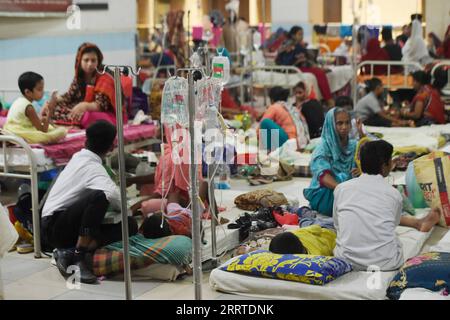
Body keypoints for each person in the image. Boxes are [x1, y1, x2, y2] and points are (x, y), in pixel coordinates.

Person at [41, 121, 138, 284]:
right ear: (111, 146)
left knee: (129, 225)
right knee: (99, 197)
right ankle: (79, 256)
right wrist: (127, 209)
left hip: (60, 224)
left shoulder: (79, 157)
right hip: (54, 228)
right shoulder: (93, 168)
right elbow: (114, 195)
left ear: (86, 141)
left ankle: (68, 252)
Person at [333, 140, 441, 271]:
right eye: (391, 160)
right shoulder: (393, 194)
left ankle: (418, 223)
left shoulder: (341, 188)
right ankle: (417, 223)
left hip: (346, 260)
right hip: (384, 263)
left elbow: (337, 224)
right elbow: (392, 224)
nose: (393, 163)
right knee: (386, 227)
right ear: (385, 166)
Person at [52, 42, 132, 128]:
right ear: (79, 61)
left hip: (110, 115)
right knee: (54, 109)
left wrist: (84, 105)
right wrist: (54, 101)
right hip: (87, 110)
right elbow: (69, 96)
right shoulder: (79, 77)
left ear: (98, 61)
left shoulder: (105, 78)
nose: (90, 64)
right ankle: (73, 123)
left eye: (93, 60)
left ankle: (73, 123)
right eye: (86, 60)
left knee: (86, 116)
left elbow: (101, 106)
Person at [303, 108, 361, 217]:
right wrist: (343, 189)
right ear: (330, 124)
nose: (344, 127)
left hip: (347, 192)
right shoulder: (323, 148)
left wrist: (360, 172)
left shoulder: (353, 145)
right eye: (339, 123)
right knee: (343, 177)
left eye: (347, 123)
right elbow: (324, 176)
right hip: (326, 194)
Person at [276, 26, 335, 108]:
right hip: (291, 68)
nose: (301, 36)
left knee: (320, 72)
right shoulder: (290, 44)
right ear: (293, 35)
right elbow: (287, 60)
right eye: (299, 34)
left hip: (298, 67)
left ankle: (326, 100)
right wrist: (314, 66)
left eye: (302, 34)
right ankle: (329, 100)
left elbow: (305, 58)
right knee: (320, 73)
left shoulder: (297, 44)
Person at [4, 72, 67, 144]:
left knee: (50, 127)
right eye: (39, 89)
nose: (43, 92)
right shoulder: (29, 107)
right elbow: (43, 131)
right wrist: (50, 110)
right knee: (61, 131)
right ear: (28, 92)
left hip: (10, 131)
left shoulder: (18, 101)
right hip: (19, 133)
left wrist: (43, 119)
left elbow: (30, 121)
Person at [259, 86, 309, 152]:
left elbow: (260, 127)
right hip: (300, 143)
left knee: (265, 123)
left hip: (288, 142)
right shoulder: (293, 108)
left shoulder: (274, 107)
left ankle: (266, 152)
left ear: (272, 99)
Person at [269, 224, 336, 256]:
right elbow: (317, 228)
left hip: (335, 238)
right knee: (305, 220)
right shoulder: (297, 233)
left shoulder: (317, 256)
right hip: (326, 231)